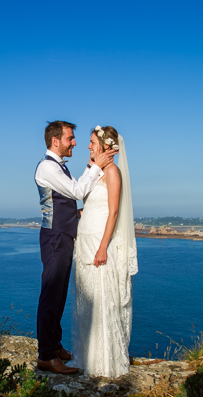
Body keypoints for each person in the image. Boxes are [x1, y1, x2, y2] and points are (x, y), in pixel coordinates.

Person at [34, 120, 116, 375]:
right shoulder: (48, 167)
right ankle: (46, 356)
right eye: (70, 138)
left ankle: (55, 345)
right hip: (56, 238)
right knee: (50, 295)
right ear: (55, 141)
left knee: (57, 296)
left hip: (63, 235)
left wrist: (85, 214)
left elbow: (66, 202)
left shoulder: (58, 167)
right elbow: (77, 190)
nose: (75, 142)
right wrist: (95, 165)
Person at [70, 125, 137, 378]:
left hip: (99, 246)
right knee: (86, 303)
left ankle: (106, 365)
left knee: (101, 303)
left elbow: (114, 212)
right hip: (84, 243)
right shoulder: (94, 171)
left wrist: (102, 247)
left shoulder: (113, 173)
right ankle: (87, 358)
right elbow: (87, 202)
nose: (88, 146)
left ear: (105, 145)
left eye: (91, 142)